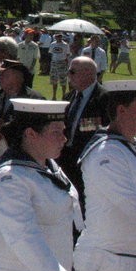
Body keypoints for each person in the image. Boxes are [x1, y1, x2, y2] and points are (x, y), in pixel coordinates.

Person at [0, 98, 80, 271]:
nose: (64, 138)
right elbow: (24, 240)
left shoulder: (48, 165)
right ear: (31, 134)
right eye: (56, 132)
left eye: (63, 131)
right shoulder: (10, 179)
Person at [74, 80, 136, 271]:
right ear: (121, 110)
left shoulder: (129, 146)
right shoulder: (106, 152)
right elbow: (132, 205)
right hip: (108, 263)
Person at [0, 59, 44, 173]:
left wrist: (2, 127)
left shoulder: (34, 100)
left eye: (4, 75)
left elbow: (32, 128)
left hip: (21, 161)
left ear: (18, 78)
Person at [58, 56, 109, 201]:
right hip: (65, 158)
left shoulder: (104, 98)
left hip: (89, 160)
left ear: (88, 73)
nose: (68, 75)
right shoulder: (69, 97)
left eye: (72, 72)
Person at [48, 33, 71, 100]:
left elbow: (68, 53)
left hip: (62, 62)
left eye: (60, 36)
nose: (58, 38)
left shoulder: (65, 45)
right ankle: (54, 95)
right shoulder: (53, 44)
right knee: (54, 79)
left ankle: (63, 95)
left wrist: (64, 61)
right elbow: (51, 52)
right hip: (54, 62)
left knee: (63, 80)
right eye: (57, 36)